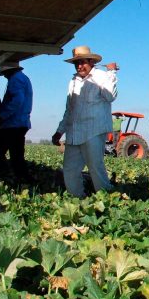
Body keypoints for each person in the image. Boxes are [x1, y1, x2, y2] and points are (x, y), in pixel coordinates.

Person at [52, 46, 119, 197]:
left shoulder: (102, 76)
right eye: (77, 63)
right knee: (69, 169)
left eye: (82, 62)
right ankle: (78, 200)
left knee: (96, 167)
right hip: (75, 132)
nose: (79, 66)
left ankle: (107, 200)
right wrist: (59, 131)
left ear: (91, 62)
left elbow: (110, 97)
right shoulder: (73, 81)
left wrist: (112, 73)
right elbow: (69, 109)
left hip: (94, 131)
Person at [0, 61, 33, 180]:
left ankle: (5, 176)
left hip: (13, 123)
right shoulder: (23, 78)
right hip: (20, 123)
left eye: (5, 73)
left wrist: (1, 116)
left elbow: (17, 101)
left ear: (8, 71)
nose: (5, 76)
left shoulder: (15, 79)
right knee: (16, 154)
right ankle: (21, 178)